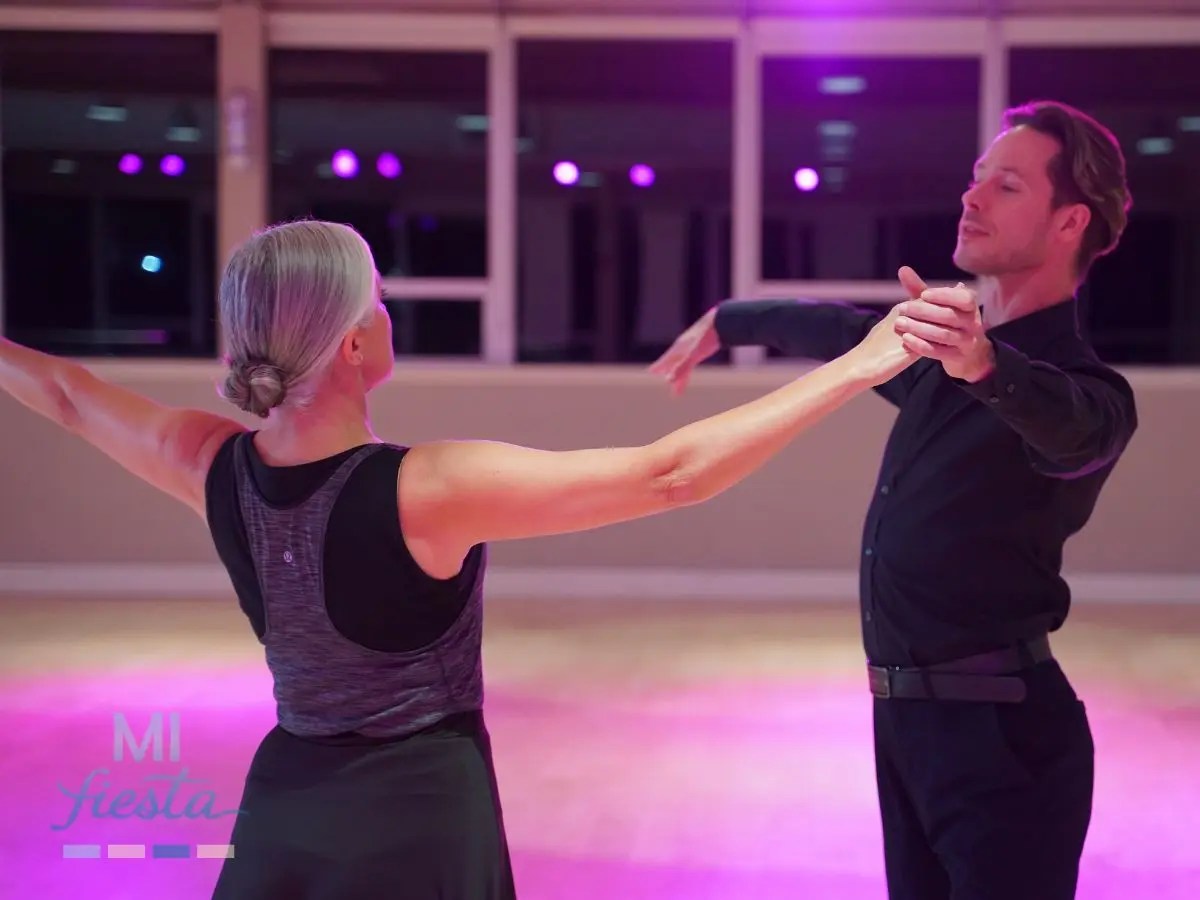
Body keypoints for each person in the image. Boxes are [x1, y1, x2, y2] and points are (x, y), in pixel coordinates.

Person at [0, 218, 915, 898]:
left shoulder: (211, 464)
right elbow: (669, 475)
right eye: (378, 300)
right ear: (355, 343)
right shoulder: (426, 488)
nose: (389, 311)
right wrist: (857, 365)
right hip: (419, 818)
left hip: (283, 809)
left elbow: (71, 397)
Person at [650, 99, 1138, 900]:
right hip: (909, 727)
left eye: (1006, 185)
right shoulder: (939, 366)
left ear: (1068, 223)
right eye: (976, 179)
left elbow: (1070, 431)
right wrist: (728, 319)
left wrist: (984, 366)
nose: (970, 197)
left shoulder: (1081, 389)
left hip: (1004, 740)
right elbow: (844, 332)